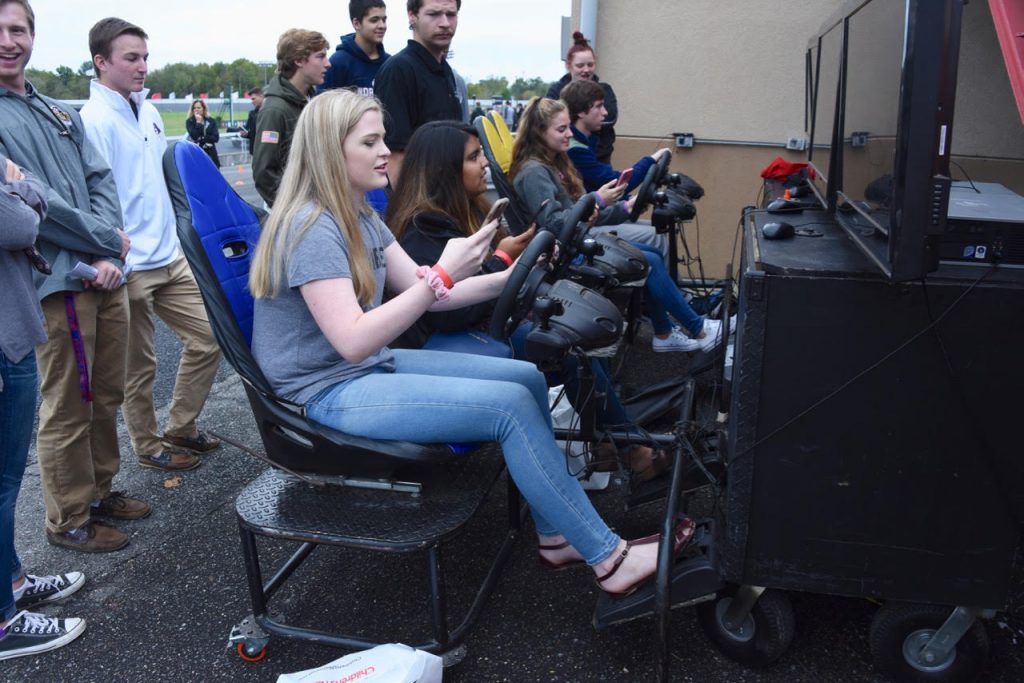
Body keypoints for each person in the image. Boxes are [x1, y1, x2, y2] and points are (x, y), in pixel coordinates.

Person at [249, 89, 695, 599]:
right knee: (507, 409)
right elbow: (354, 339)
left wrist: (514, 275)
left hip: (364, 366)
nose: (383, 152)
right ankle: (609, 559)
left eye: (382, 140)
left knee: (526, 377)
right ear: (331, 151)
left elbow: (433, 295)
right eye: (369, 142)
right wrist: (440, 273)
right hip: (323, 390)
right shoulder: (311, 228)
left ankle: (557, 536)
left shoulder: (361, 216)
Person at [387, 120, 669, 479]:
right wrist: (502, 259)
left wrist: (522, 257)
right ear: (445, 169)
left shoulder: (466, 212)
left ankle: (609, 443)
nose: (485, 164)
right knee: (566, 350)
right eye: (474, 157)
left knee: (570, 342)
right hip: (448, 347)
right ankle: (628, 450)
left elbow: (488, 283)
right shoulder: (423, 230)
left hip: (485, 326)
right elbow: (449, 314)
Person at [0, 0, 142, 553]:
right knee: (68, 404)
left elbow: (99, 178)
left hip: (105, 275)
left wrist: (110, 253)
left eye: (17, 29)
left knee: (107, 394)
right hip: (57, 285)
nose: (8, 41)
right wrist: (105, 242)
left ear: (33, 35)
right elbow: (35, 204)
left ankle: (101, 491)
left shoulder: (60, 112)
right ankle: (69, 519)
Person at [82, 17, 222, 473]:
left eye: (145, 57)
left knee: (210, 337)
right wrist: (109, 253)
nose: (143, 66)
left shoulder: (151, 110)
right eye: (131, 58)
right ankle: (149, 445)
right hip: (131, 264)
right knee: (138, 367)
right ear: (101, 62)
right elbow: (93, 197)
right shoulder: (93, 121)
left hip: (170, 256)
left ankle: (180, 425)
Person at [510, 97, 726, 354]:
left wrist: (618, 208)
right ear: (538, 132)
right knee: (651, 261)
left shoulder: (553, 164)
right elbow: (554, 224)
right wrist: (597, 199)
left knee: (653, 255)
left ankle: (665, 331)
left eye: (568, 127)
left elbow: (573, 217)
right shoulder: (534, 172)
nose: (570, 134)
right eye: (561, 129)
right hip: (561, 256)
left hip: (573, 244)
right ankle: (696, 328)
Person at [0, 149, 87, 660]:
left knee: (7, 481)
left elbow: (28, 197)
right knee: (2, 484)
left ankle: (10, 582)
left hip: (10, 330)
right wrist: (19, 188)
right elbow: (20, 224)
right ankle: (4, 622)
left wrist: (18, 185)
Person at [373, 0, 463, 181]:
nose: (445, 23)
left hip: (449, 196)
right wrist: (413, 208)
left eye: (451, 14)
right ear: (412, 15)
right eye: (434, 14)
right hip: (419, 200)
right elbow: (394, 155)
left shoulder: (445, 71)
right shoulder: (399, 70)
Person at [253, 28, 330, 207]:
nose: (328, 64)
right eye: (320, 56)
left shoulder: (312, 101)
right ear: (299, 60)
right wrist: (293, 211)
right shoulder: (274, 110)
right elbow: (264, 173)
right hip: (295, 215)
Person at [561, 78, 670, 194]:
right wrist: (652, 160)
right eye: (599, 106)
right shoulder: (575, 150)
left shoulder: (587, 142)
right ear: (581, 111)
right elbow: (616, 184)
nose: (605, 112)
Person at [546, 32, 617, 163]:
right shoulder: (556, 90)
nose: (586, 70)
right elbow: (549, 122)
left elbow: (609, 118)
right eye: (580, 65)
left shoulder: (605, 89)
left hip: (601, 155)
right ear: (568, 65)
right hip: (566, 157)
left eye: (590, 65)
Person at [319, 0, 390, 97]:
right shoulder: (337, 63)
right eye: (374, 20)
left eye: (384, 20)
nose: (382, 25)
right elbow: (321, 108)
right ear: (356, 23)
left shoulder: (390, 64)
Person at [185, 99, 220, 168]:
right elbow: (194, 136)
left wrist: (203, 138)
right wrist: (198, 122)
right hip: (197, 153)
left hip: (211, 153)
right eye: (194, 108)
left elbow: (216, 138)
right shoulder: (190, 122)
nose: (196, 110)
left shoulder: (211, 121)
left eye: (199, 108)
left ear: (203, 109)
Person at [240, 87, 263, 154]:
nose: (252, 101)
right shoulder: (252, 114)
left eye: (254, 99)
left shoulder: (270, 111)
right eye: (251, 99)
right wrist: (246, 134)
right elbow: (252, 132)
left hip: (266, 151)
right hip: (254, 151)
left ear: (261, 96)